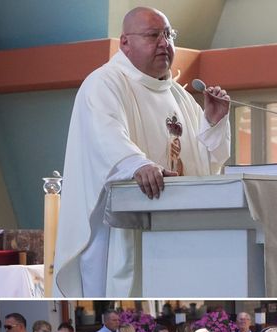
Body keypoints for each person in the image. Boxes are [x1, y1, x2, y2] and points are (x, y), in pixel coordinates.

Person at [54, 7, 231, 296]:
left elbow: (205, 166)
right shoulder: (105, 82)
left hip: (177, 233)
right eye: (153, 35)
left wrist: (213, 124)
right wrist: (137, 165)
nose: (164, 43)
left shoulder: (180, 96)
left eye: (168, 35)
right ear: (125, 42)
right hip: (121, 229)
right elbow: (104, 135)